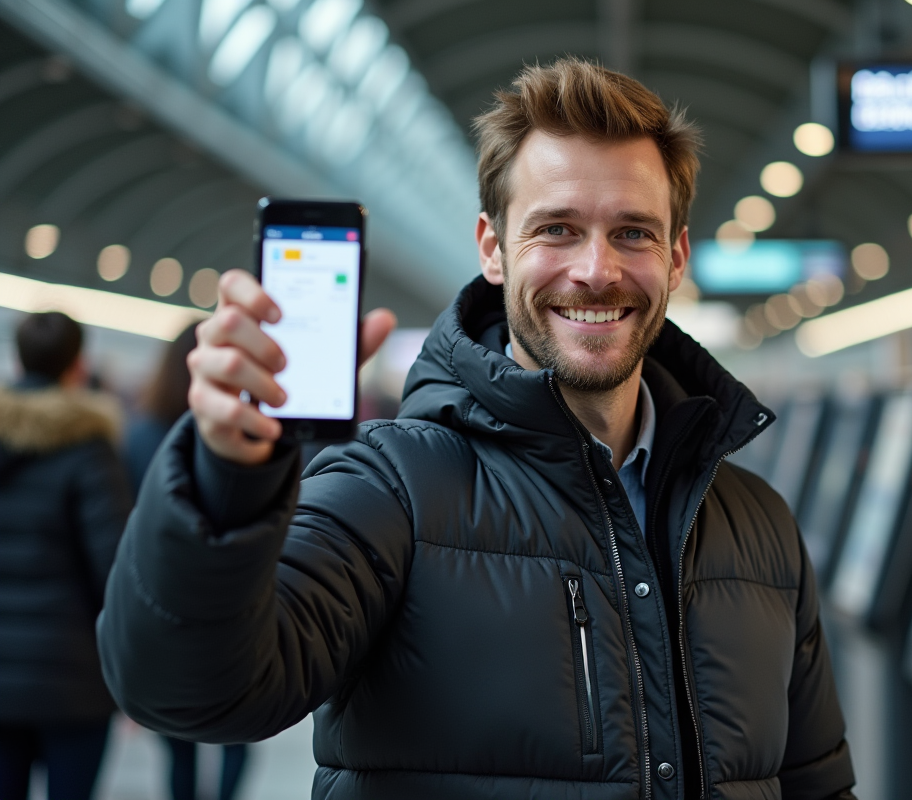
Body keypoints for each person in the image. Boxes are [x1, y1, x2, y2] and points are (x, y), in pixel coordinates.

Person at [99, 58, 856, 799]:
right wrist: (222, 477)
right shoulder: (389, 491)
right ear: (492, 249)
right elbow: (190, 691)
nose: (596, 270)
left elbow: (816, 785)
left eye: (633, 233)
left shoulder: (759, 527)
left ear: (677, 256)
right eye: (556, 229)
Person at [0, 312, 131, 800]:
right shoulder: (89, 448)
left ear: (18, 360)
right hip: (73, 680)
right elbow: (114, 569)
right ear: (78, 365)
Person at [123, 323, 250, 800]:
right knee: (238, 730)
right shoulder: (242, 434)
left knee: (178, 743)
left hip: (162, 600)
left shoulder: (141, 435)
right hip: (231, 599)